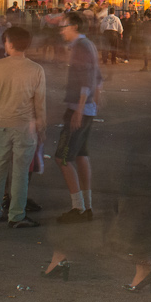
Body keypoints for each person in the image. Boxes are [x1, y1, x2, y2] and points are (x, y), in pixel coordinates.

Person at [0, 27, 47, 228]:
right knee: (20, 172)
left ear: (9, 44)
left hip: (1, 124)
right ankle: (17, 215)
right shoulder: (36, 69)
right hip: (25, 127)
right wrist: (41, 128)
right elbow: (40, 104)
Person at [55, 12, 101, 223]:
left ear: (74, 27)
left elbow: (86, 79)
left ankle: (78, 208)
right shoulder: (88, 45)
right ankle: (87, 205)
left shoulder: (81, 47)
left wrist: (80, 109)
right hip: (87, 109)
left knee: (62, 158)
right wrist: (93, 102)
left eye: (63, 27)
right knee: (81, 155)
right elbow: (97, 78)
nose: (61, 31)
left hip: (78, 109)